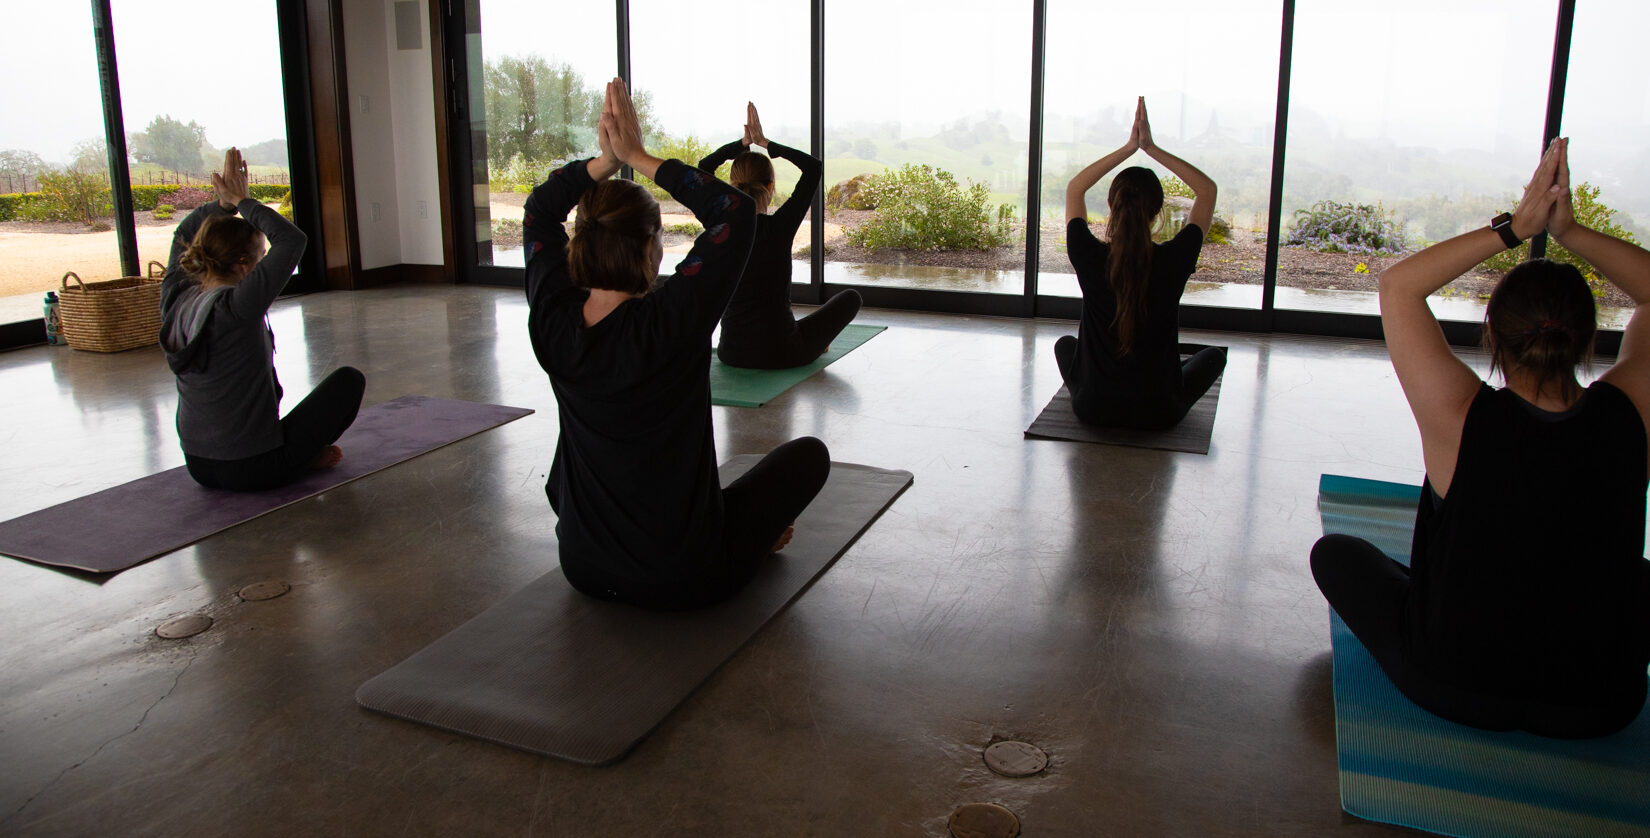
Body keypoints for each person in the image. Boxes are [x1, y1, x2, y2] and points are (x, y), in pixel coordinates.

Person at [1311, 138, 1650, 738]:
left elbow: (1398, 287)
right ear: (1587, 338)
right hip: (1601, 703)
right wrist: (1570, 232)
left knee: (1336, 555)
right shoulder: (1632, 416)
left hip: (1452, 684)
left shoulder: (1459, 415)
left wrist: (1514, 229)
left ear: (1493, 335)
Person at [524, 79, 831, 610]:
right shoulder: (671, 319)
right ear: (650, 249)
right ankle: (748, 544)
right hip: (687, 574)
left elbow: (538, 210)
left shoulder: (552, 322)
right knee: (809, 457)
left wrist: (602, 163)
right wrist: (637, 157)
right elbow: (734, 212)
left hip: (583, 567)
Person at [160, 148, 365, 492]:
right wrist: (241, 201)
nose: (262, 265)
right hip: (253, 468)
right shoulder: (238, 306)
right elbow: (292, 240)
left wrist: (222, 207)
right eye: (260, 258)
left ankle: (295, 456)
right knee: (349, 381)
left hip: (198, 466)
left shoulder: (176, 297)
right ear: (243, 264)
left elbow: (182, 236)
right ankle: (298, 461)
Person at [1056, 97, 1226, 429]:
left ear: (1110, 205)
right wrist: (1150, 148)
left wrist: (1128, 148)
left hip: (1093, 407)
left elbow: (1075, 188)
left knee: (1065, 346)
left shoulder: (1087, 254)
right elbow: (1206, 191)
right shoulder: (1176, 257)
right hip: (1159, 412)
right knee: (1214, 357)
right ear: (1157, 211)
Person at [698, 102, 862, 369]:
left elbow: (703, 168)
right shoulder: (779, 226)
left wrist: (742, 144)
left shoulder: (719, 225)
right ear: (771, 186)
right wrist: (765, 143)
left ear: (731, 186)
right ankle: (815, 342)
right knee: (851, 298)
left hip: (732, 353)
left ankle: (807, 338)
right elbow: (812, 168)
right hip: (784, 352)